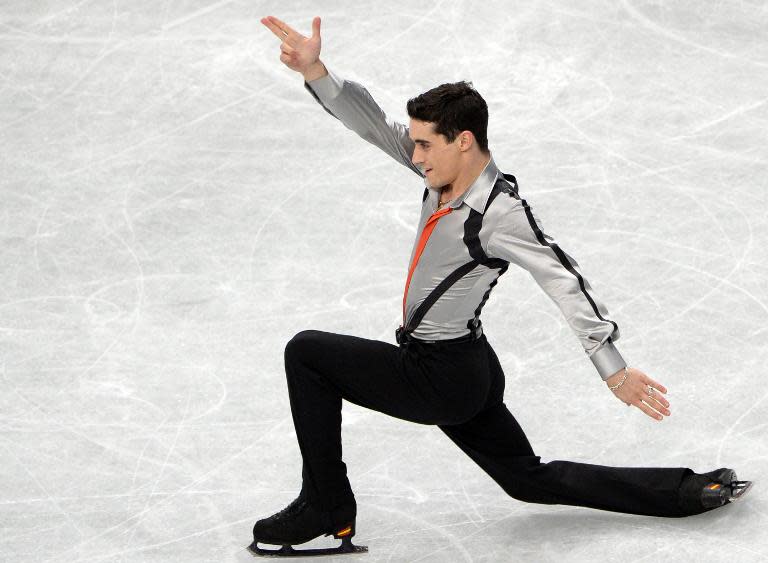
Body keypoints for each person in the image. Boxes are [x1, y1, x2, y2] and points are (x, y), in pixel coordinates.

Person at [251, 14, 753, 557]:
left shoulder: (498, 212)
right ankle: (686, 490)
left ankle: (325, 504)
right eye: (413, 144)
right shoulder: (439, 174)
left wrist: (613, 367)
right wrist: (317, 71)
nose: (413, 155)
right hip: (469, 368)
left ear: (463, 142)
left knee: (307, 355)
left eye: (424, 144)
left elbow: (561, 277)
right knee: (526, 478)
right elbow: (372, 123)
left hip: (440, 375)